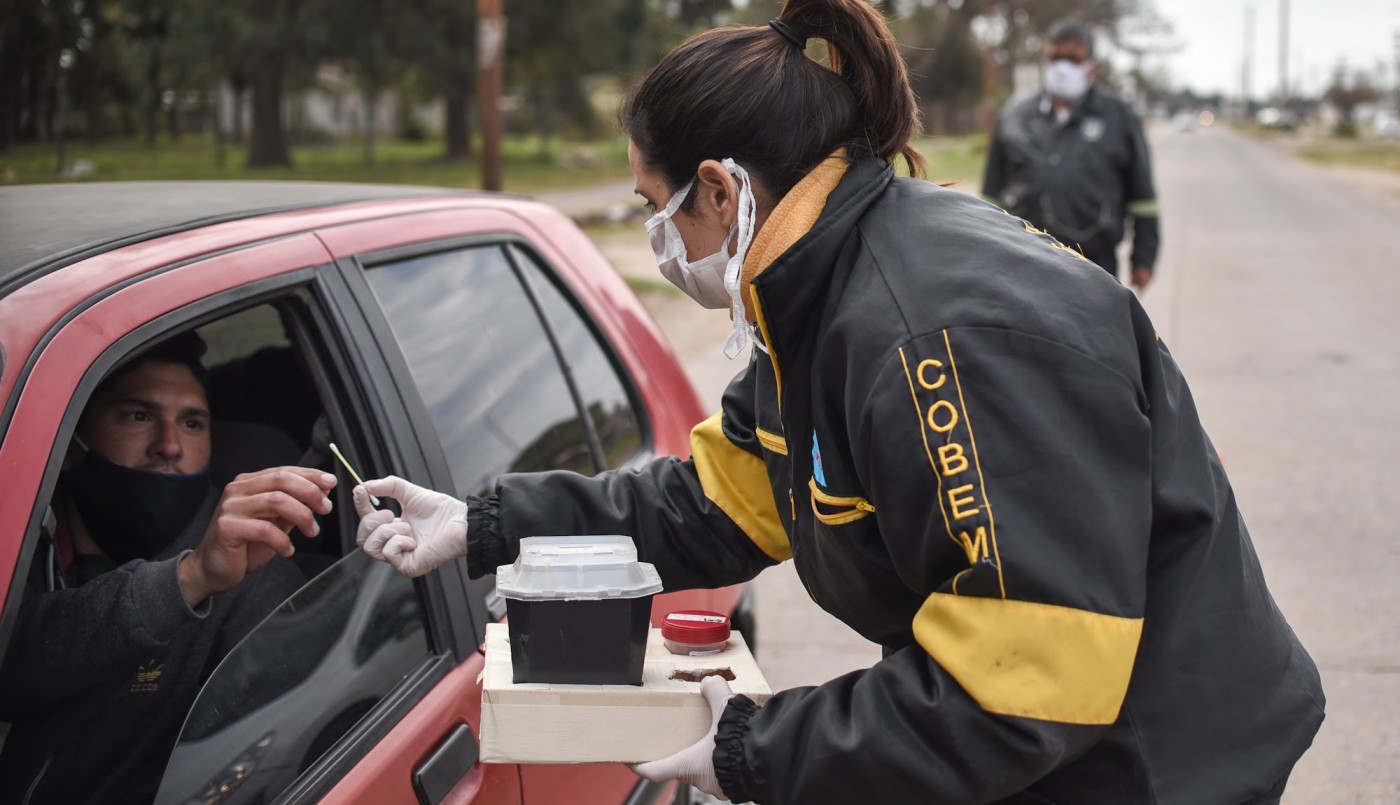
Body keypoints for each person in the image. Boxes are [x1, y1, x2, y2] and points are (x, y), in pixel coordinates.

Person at [354, 1, 1323, 802]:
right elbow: (714, 504)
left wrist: (758, 747)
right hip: (1056, 745)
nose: (657, 236)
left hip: (1142, 765)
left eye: (655, 206)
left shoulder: (939, 333)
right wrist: (486, 522)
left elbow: (1020, 682)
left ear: (719, 190)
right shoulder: (817, 293)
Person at [0, 331, 336, 804]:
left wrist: (194, 579)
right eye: (138, 415)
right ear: (71, 443)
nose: (170, 445)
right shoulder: (22, 531)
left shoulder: (254, 573)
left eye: (193, 424)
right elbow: (12, 666)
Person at [982, 20, 1161, 291]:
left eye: (1073, 59)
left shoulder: (1119, 116)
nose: (1062, 67)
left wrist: (1144, 259)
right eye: (1055, 58)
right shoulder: (1015, 114)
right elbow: (991, 194)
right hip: (1021, 262)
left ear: (1092, 66)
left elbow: (1142, 197)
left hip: (1093, 264)